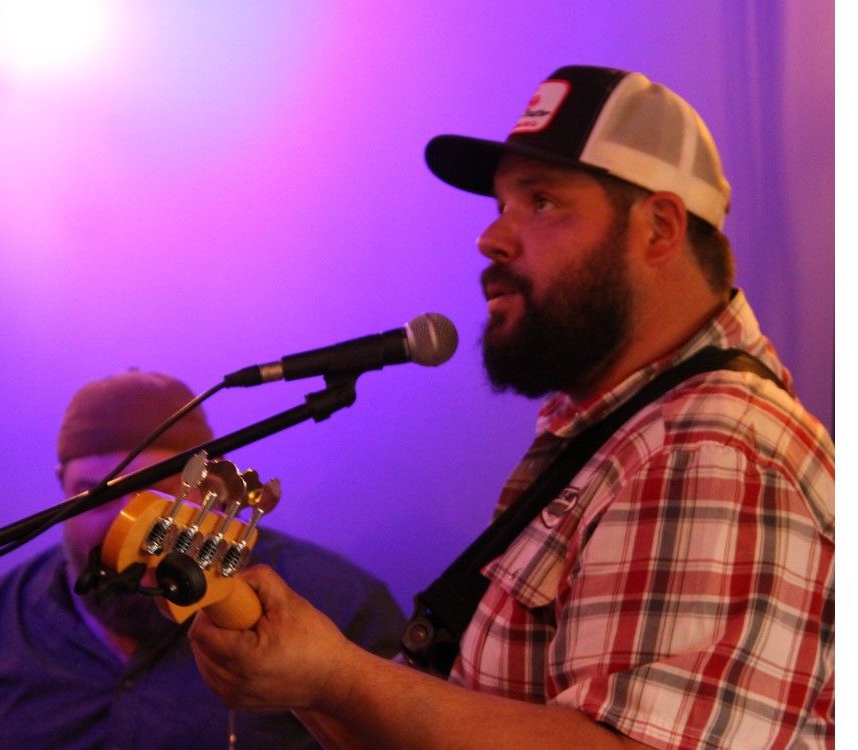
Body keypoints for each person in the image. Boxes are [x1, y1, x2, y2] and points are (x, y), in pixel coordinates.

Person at [187, 65, 835, 748]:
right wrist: (307, 680)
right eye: (501, 205)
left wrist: (340, 680)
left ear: (660, 229)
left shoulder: (713, 450)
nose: (491, 238)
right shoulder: (617, 439)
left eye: (542, 201)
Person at [0, 370, 406, 749]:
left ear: (210, 493)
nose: (125, 519)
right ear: (61, 492)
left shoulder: (340, 605)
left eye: (152, 492)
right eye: (92, 494)